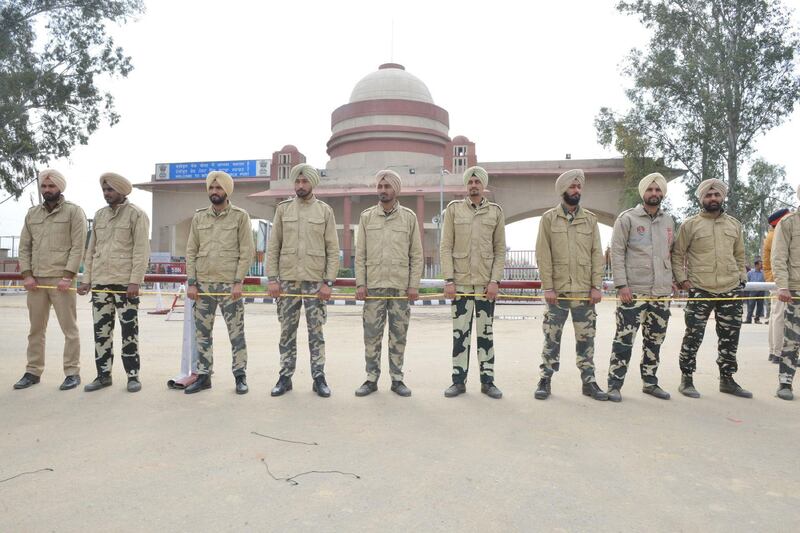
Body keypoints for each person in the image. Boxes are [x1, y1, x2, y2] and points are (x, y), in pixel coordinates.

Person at [672, 178, 752, 398]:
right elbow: (678, 254)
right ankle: (686, 378)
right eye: (708, 195)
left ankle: (727, 380)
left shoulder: (734, 224)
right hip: (701, 288)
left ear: (722, 197)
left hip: (730, 288)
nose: (713, 198)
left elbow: (739, 254)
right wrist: (682, 280)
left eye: (716, 195)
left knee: (730, 337)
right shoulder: (690, 225)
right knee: (693, 335)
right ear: (701, 199)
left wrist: (741, 278)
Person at [267, 163, 339, 398]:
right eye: (297, 182)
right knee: (286, 331)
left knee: (316, 332)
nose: (300, 185)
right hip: (287, 280)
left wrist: (328, 282)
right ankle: (285, 377)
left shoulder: (324, 211)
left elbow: (332, 248)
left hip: (315, 282)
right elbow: (273, 246)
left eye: (304, 181)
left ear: (312, 183)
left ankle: (318, 377)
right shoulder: (283, 210)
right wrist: (272, 279)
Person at [534, 169, 607, 401]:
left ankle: (589, 382)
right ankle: (545, 379)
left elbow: (597, 255)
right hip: (559, 293)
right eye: (572, 187)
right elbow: (543, 255)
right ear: (563, 190)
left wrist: (596, 286)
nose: (576, 191)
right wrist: (548, 287)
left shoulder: (591, 220)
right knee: (551, 338)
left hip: (585, 293)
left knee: (587, 340)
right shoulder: (548, 219)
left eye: (579, 187)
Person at [14, 169, 87, 390]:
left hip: (61, 281)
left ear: (60, 188)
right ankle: (32, 371)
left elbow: (78, 247)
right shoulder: (32, 214)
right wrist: (26, 274)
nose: (47, 190)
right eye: (44, 187)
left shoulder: (74, 212)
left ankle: (72, 372)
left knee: (69, 329)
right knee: (36, 329)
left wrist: (68, 276)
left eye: (51, 186)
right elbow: (24, 246)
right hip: (36, 282)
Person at [78, 173, 150, 393]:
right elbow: (91, 251)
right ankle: (103, 376)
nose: (106, 194)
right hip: (100, 284)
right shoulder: (99, 216)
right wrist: (86, 279)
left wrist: (135, 281)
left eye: (110, 190)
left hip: (124, 284)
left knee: (129, 332)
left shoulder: (136, 215)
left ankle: (132, 376)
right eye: (104, 190)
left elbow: (141, 251)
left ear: (121, 191)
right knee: (101, 332)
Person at [184, 171, 255, 395]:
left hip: (228, 286)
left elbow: (247, 251)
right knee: (202, 335)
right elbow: (191, 251)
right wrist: (192, 282)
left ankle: (240, 376)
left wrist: (238, 281)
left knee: (236, 333)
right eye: (211, 188)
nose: (214, 192)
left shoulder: (240, 216)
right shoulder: (199, 217)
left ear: (227, 190)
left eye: (219, 188)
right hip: (203, 286)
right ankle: (204, 376)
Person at [353, 170, 423, 397]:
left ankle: (397, 379)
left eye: (387, 186)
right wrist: (360, 285)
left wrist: (413, 285)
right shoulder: (366, 217)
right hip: (373, 287)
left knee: (398, 335)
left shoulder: (409, 218)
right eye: (380, 186)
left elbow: (416, 254)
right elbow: (360, 254)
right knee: (371, 336)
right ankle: (371, 379)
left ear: (396, 189)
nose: (382, 190)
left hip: (400, 288)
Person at [606, 173, 674, 402]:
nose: (654, 193)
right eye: (650, 190)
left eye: (658, 190)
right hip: (633, 291)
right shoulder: (627, 219)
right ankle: (614, 384)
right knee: (624, 340)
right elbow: (616, 253)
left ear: (662, 193)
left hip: (661, 293)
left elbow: (670, 253)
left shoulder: (668, 221)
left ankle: (650, 382)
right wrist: (622, 285)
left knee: (654, 341)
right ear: (642, 193)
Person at [440, 166, 506, 399]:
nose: (474, 185)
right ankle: (458, 381)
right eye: (470, 182)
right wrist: (449, 280)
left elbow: (500, 250)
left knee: (485, 335)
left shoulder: (495, 213)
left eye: (478, 182)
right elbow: (446, 247)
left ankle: (488, 382)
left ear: (483, 185)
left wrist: (495, 281)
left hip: (485, 286)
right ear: (466, 185)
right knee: (461, 335)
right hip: (461, 286)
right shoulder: (454, 210)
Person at [769, 189, 800, 400]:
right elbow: (778, 257)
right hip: (795, 289)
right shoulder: (788, 223)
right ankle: (785, 383)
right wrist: (782, 286)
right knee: (792, 339)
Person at [763, 208, 791, 363]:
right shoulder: (777, 236)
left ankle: (774, 351)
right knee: (780, 316)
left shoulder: (771, 235)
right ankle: (779, 352)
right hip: (780, 280)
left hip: (774, 279)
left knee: (776, 315)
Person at [744, 259, 766, 324]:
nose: (762, 265)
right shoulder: (750, 273)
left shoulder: (763, 273)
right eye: (760, 264)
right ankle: (748, 319)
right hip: (752, 292)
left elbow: (766, 281)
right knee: (751, 306)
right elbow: (746, 281)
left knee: (760, 306)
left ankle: (757, 319)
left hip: (761, 291)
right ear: (756, 265)